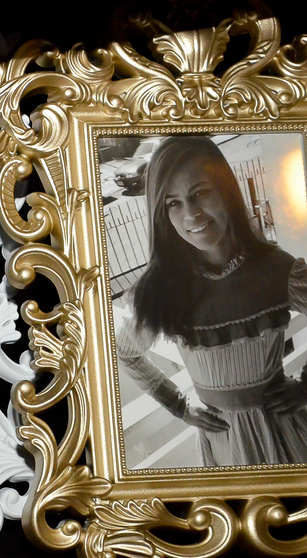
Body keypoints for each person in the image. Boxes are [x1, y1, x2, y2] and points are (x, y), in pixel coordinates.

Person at [117, 136, 307, 467]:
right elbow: (127, 353)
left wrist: (305, 387)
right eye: (173, 203)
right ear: (161, 214)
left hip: (287, 433)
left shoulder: (277, 270)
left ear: (226, 192)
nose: (191, 214)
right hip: (223, 443)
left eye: (201, 192)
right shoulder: (160, 290)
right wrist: (177, 404)